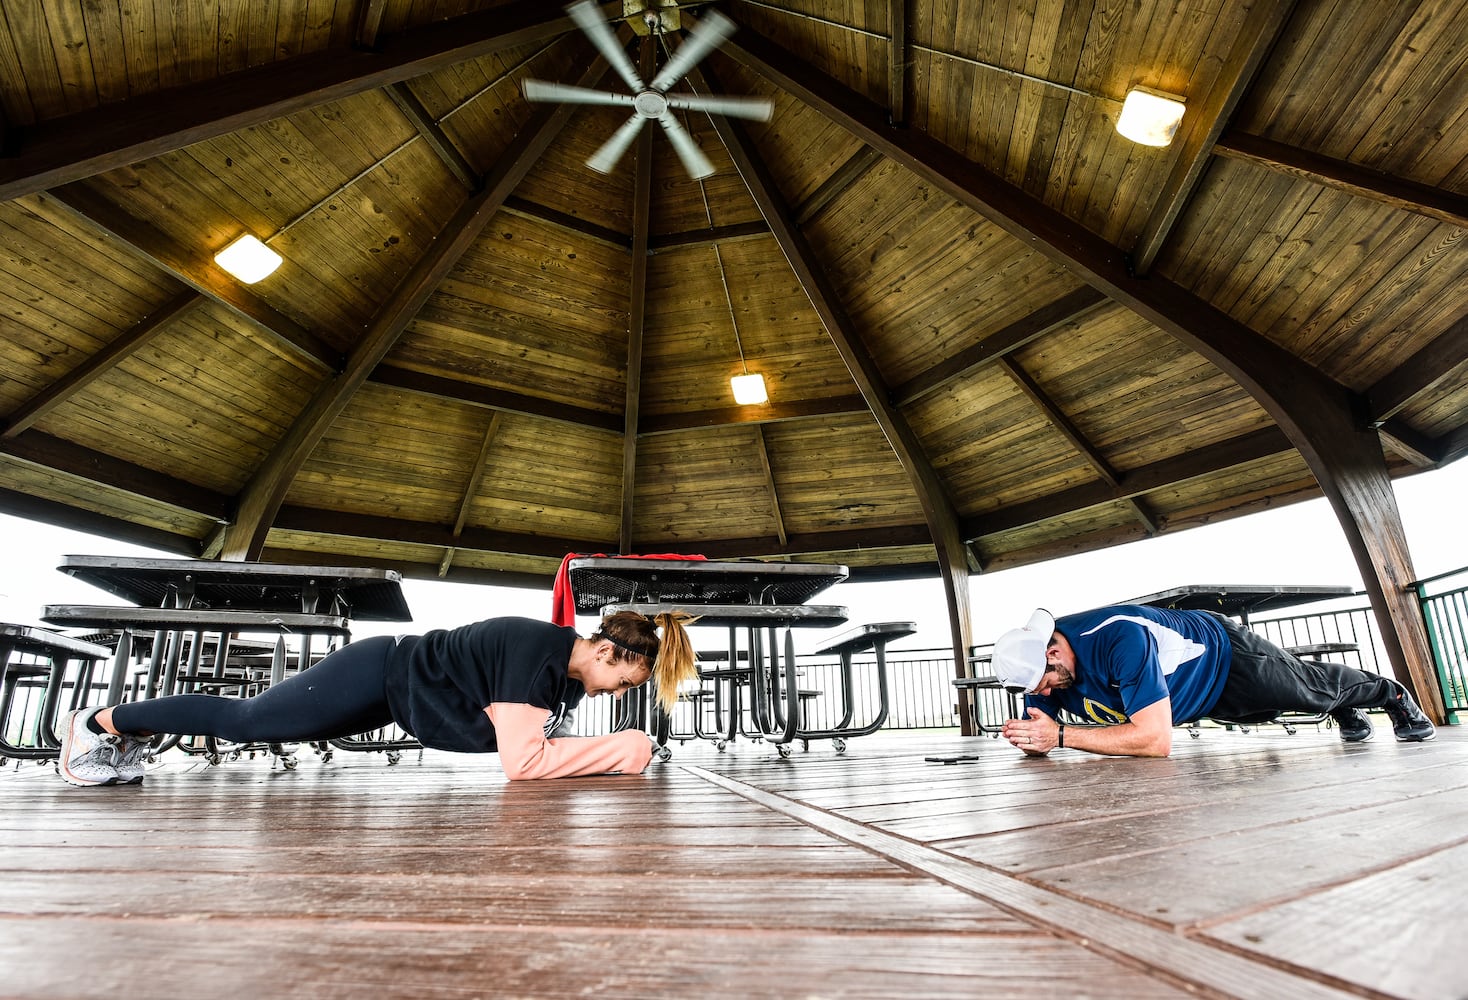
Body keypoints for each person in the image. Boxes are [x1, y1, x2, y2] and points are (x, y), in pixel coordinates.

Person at [54, 611, 698, 787]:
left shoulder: (559, 673)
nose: (617, 696)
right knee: (248, 719)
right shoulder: (539, 659)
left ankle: (117, 734)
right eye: (625, 684)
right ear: (615, 654)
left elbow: (520, 743)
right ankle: (98, 723)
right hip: (378, 671)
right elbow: (523, 764)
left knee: (261, 722)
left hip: (394, 694)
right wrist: (628, 749)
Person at [993, 606, 1436, 759]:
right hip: (1195, 696)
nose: (1045, 695)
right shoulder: (1045, 673)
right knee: (1275, 710)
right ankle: (1341, 706)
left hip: (1226, 655)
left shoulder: (1117, 638)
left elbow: (1155, 743)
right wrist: (1032, 738)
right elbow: (1042, 732)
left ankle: (1392, 694)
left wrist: (1063, 736)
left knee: (1310, 690)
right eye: (1034, 690)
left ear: (1053, 652)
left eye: (1045, 684)